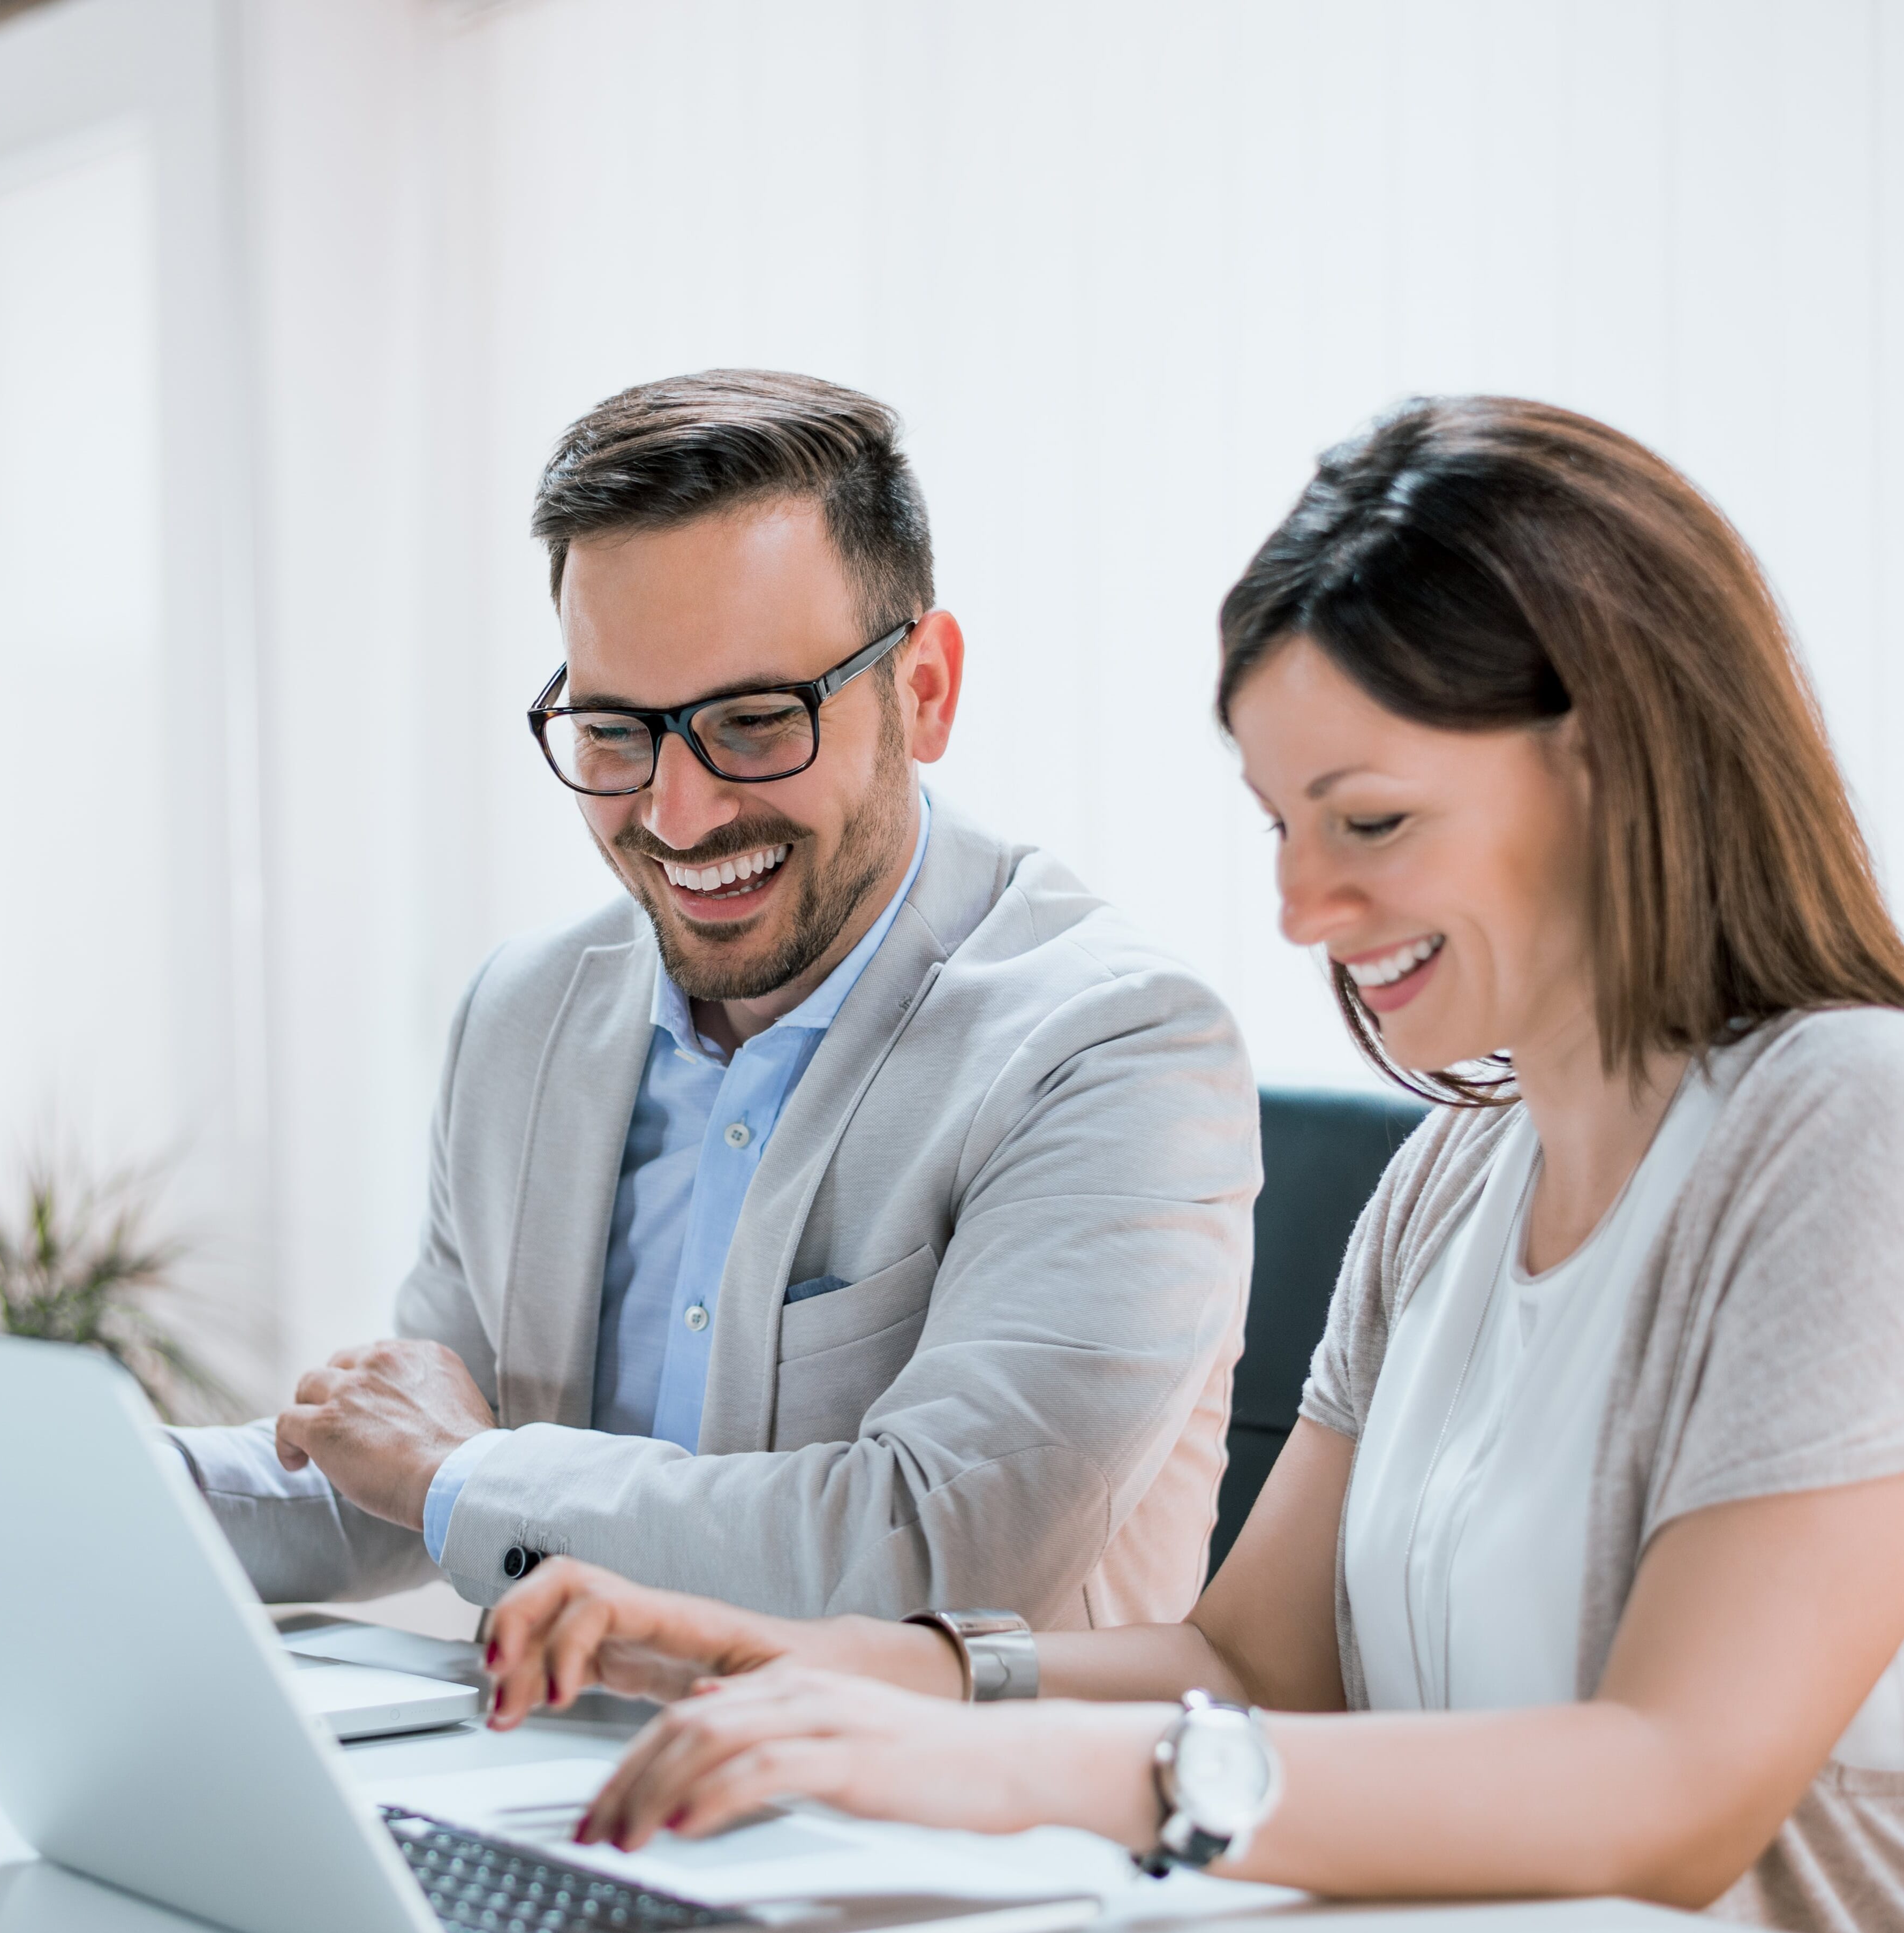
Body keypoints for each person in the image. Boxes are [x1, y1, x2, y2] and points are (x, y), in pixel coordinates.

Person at [475, 395, 1904, 1933]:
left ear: (1618, 769)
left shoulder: (1871, 1130)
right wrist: (825, 1664)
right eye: (1278, 823)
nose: (1303, 908)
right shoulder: (1449, 1175)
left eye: (1366, 818)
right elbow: (1253, 1660)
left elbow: (1667, 1789)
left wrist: (1017, 1765)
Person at [162, 370, 1257, 1626]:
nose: (677, 818)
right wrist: (88, 1487)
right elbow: (405, 1467)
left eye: (752, 721)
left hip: (923, 1810)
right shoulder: (523, 1015)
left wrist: (463, 1470)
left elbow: (936, 1556)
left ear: (926, 691)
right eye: (617, 733)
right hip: (556, 1786)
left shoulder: (1114, 1049)